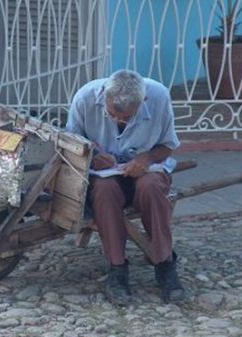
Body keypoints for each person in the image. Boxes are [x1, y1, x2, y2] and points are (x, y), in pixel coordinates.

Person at [66, 69, 185, 306]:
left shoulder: (159, 96)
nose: (119, 121)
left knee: (151, 187)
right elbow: (71, 143)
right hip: (104, 175)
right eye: (113, 115)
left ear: (143, 102)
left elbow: (168, 146)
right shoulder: (85, 98)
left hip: (147, 172)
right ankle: (117, 269)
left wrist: (146, 159)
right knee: (104, 191)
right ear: (104, 96)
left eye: (127, 118)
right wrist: (93, 155)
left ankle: (164, 265)